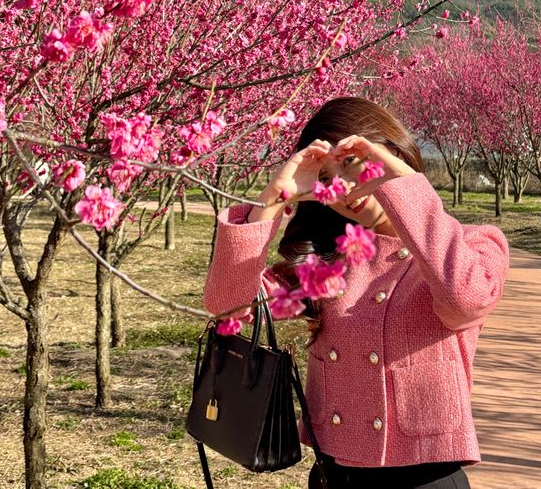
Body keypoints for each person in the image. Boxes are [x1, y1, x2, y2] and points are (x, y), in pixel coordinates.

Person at [202, 97, 509, 488]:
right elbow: (228, 306)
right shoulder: (329, 262)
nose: (343, 188)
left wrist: (400, 184)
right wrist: (272, 201)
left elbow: (464, 299)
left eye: (350, 162)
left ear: (392, 154)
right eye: (326, 179)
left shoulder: (473, 245)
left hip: (423, 478)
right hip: (334, 475)